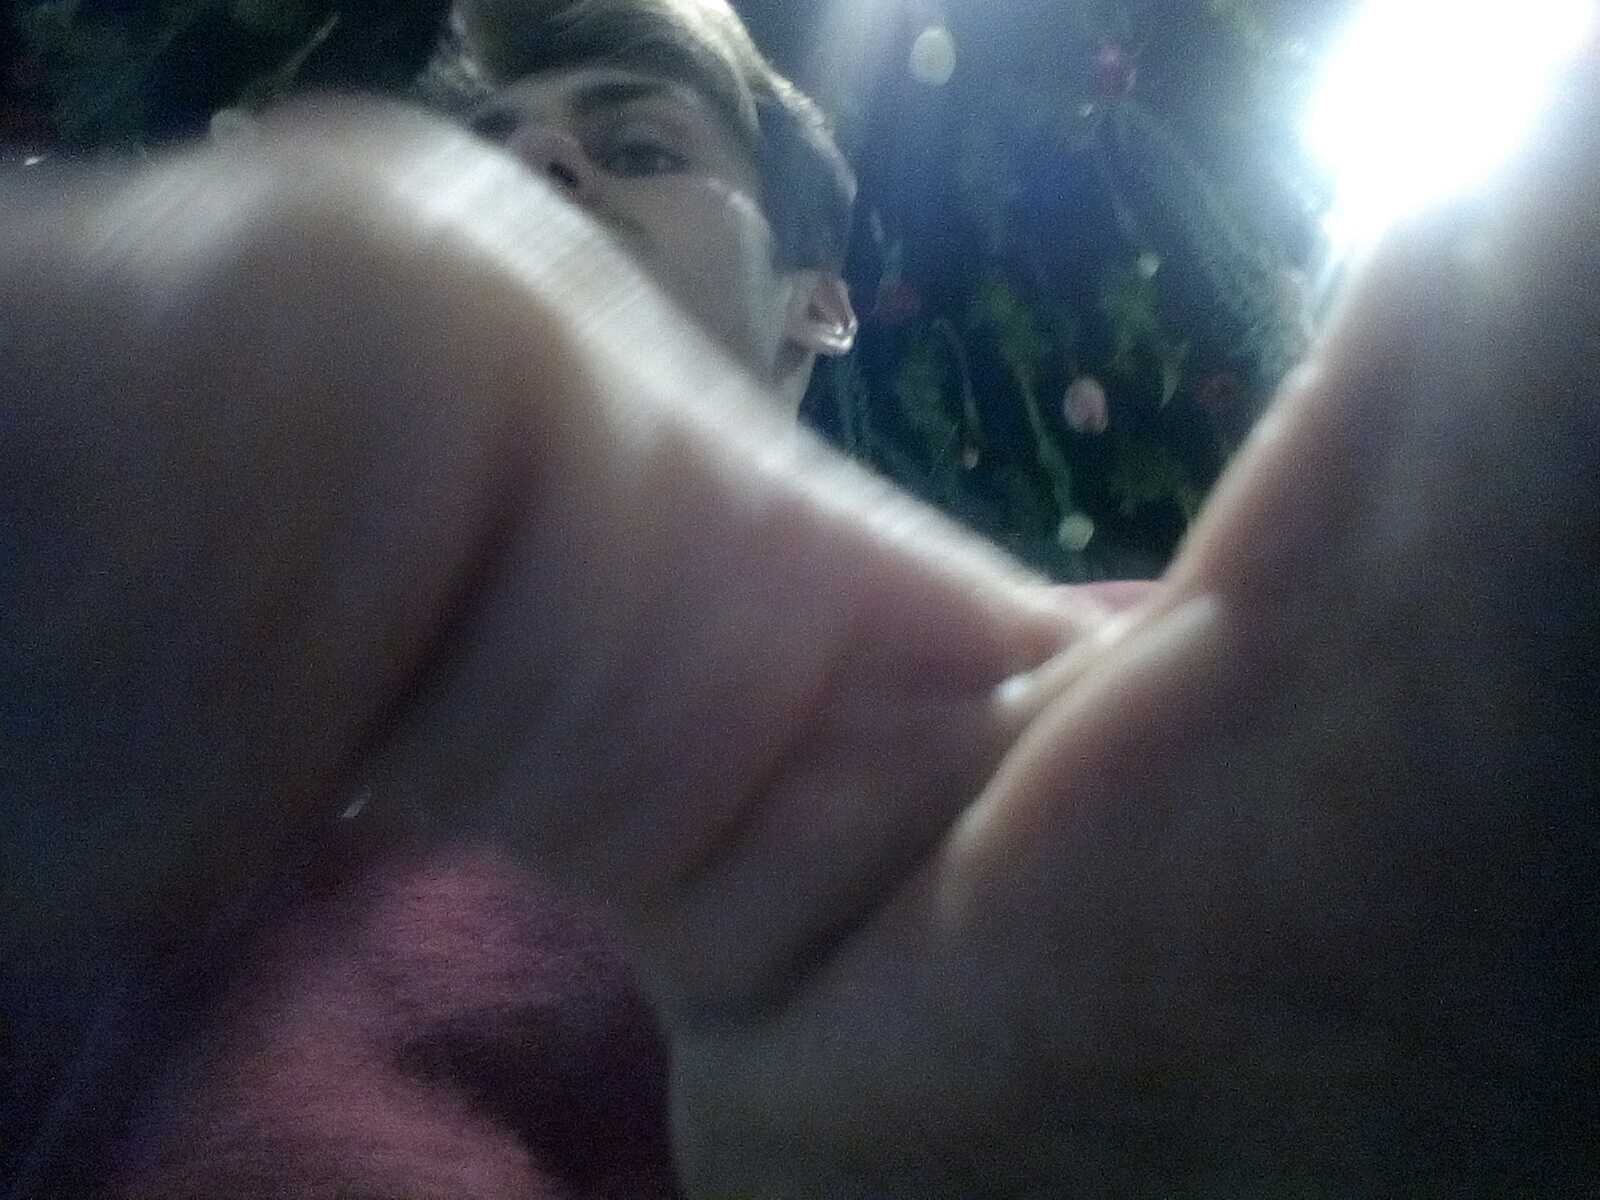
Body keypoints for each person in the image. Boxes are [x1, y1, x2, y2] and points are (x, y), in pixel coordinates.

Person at [2, 2, 1595, 1198]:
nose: (533, 161)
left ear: (819, 306)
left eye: (640, 145)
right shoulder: (105, 829)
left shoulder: (1129, 739)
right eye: (478, 142)